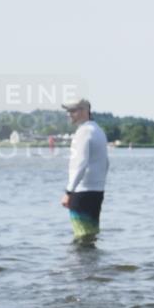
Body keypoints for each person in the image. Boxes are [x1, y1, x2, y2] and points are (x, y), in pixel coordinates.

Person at [60, 98, 109, 243]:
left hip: (81, 193)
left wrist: (69, 192)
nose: (69, 114)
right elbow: (106, 163)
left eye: (73, 111)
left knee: (81, 238)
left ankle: (81, 266)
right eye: (68, 111)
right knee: (90, 236)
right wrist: (99, 184)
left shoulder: (83, 132)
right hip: (97, 191)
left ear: (84, 111)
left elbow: (80, 164)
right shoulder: (98, 130)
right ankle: (93, 266)